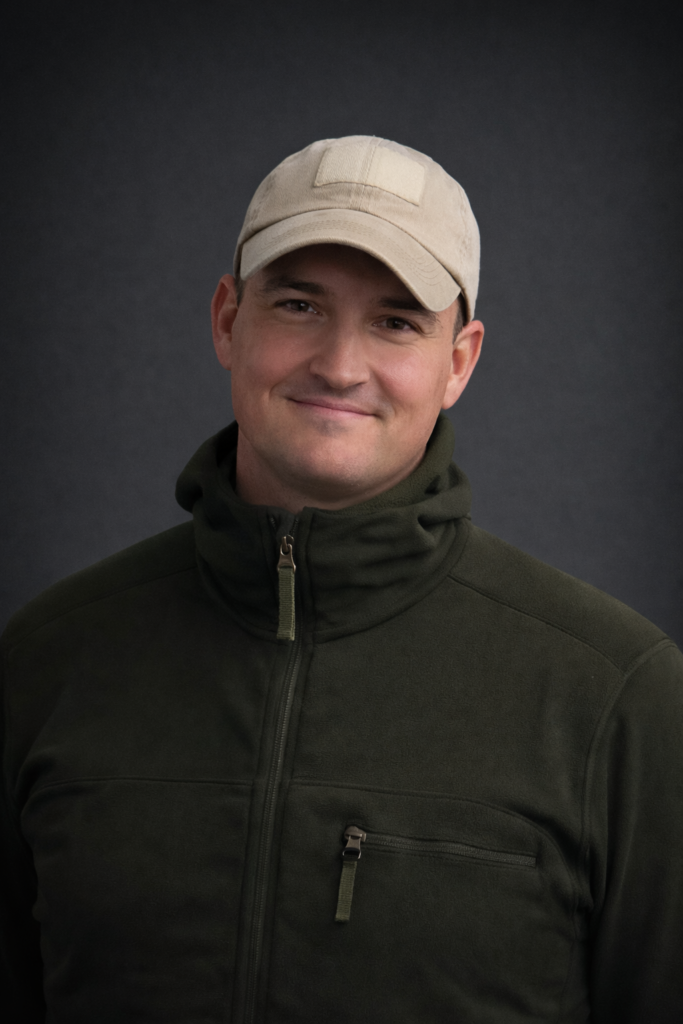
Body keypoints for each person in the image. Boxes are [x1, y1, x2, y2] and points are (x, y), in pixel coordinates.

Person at [1, 135, 682, 1024]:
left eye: (396, 322)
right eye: (298, 305)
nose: (339, 365)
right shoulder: (46, 663)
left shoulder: (615, 696)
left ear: (458, 361)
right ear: (226, 319)